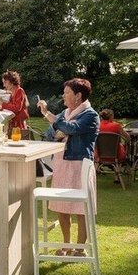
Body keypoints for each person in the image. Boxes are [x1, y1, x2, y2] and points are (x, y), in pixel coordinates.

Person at [37, 78, 99, 257]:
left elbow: (71, 128)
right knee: (61, 206)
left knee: (81, 209)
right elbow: (51, 134)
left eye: (66, 93)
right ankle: (67, 245)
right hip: (62, 164)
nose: (63, 96)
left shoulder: (90, 115)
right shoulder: (65, 112)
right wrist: (52, 120)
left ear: (78, 96)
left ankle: (80, 249)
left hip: (80, 166)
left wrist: (52, 118)